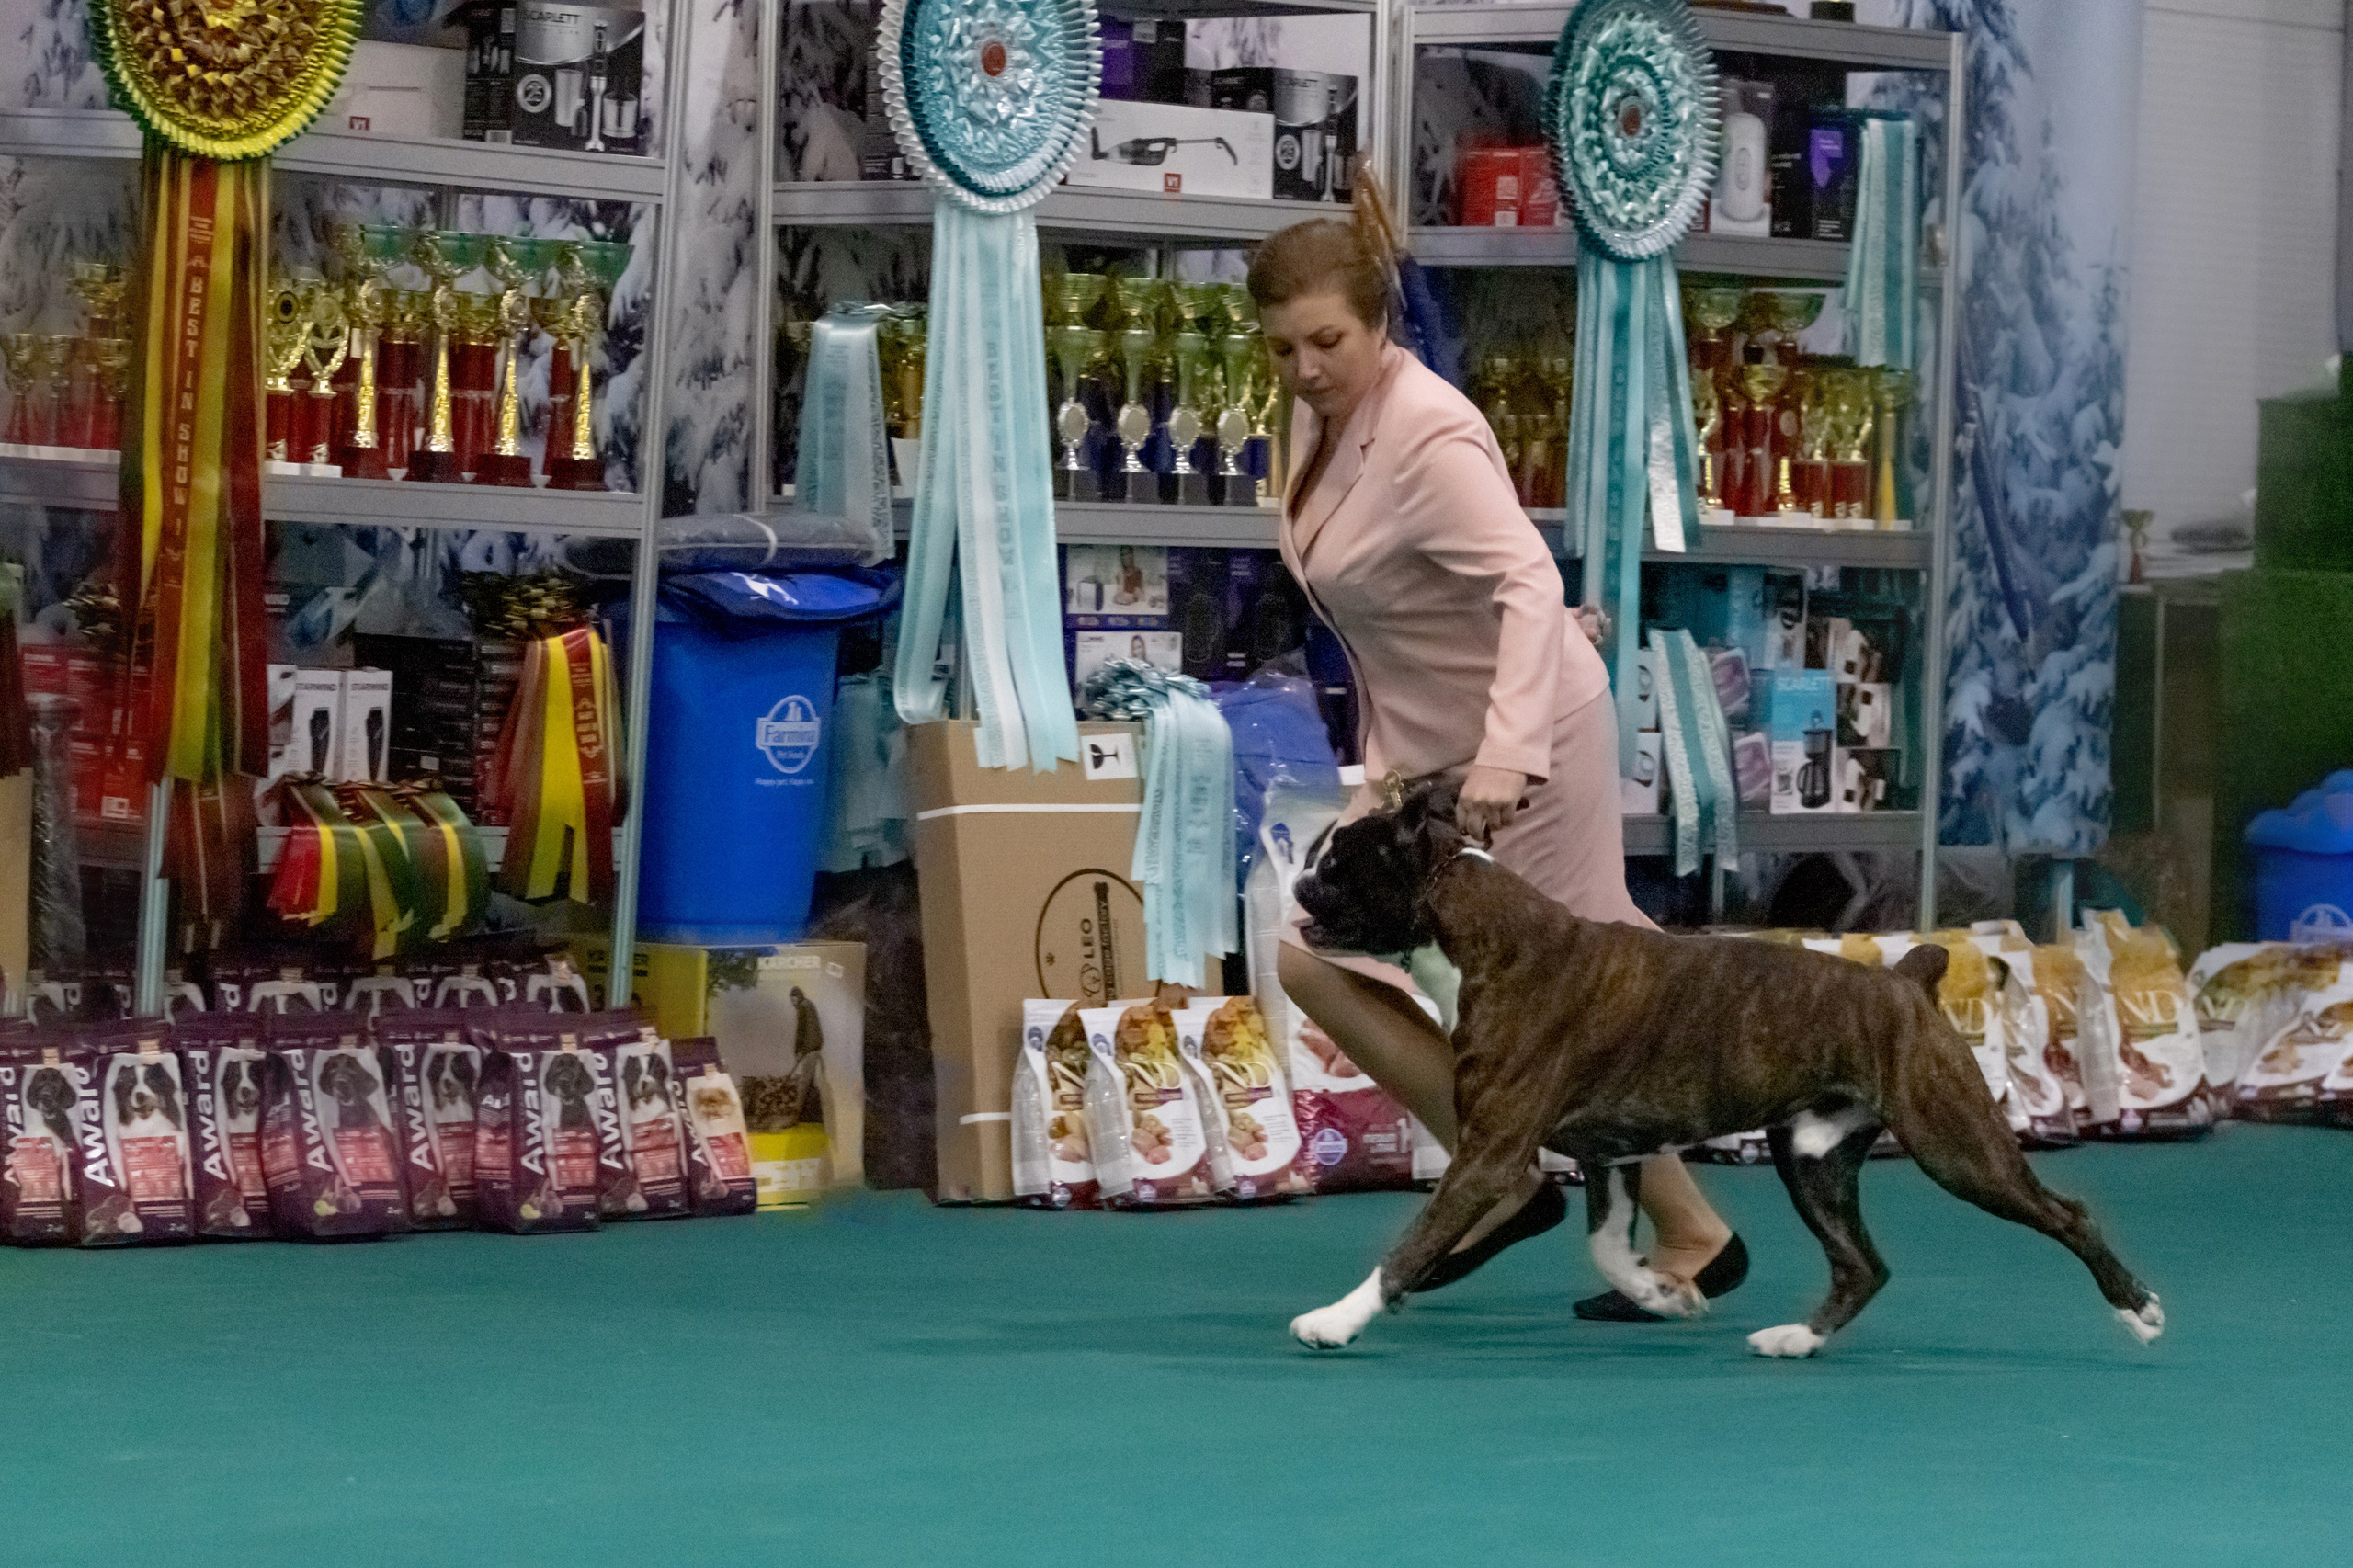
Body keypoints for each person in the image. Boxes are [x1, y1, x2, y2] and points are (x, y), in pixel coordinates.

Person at [1254, 176, 1750, 1317]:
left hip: (1526, 747)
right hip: (1429, 748)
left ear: (1378, 321)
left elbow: (1526, 576)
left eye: (1325, 340)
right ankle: (1603, 1196)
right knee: (1313, 955)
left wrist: (1505, 752)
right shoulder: (1320, 415)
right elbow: (1399, 608)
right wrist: (1395, 756)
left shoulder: (1427, 431)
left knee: (1584, 1001)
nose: (1304, 367)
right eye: (1282, 349)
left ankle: (1591, 1195)